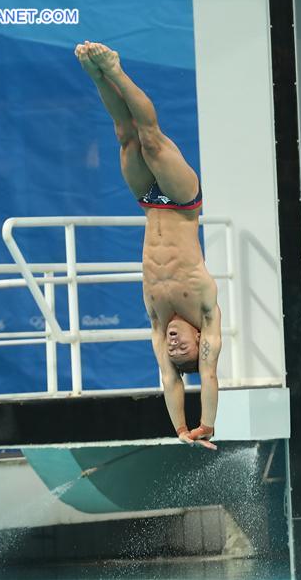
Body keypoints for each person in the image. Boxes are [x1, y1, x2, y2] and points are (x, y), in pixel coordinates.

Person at [75, 40, 220, 450]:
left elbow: (169, 379)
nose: (174, 346)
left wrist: (179, 430)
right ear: (199, 341)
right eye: (183, 348)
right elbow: (205, 376)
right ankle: (116, 69)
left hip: (149, 203)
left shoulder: (158, 323)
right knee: (151, 140)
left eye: (172, 350)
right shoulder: (206, 309)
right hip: (182, 201)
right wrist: (205, 423)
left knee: (126, 138)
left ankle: (96, 77)